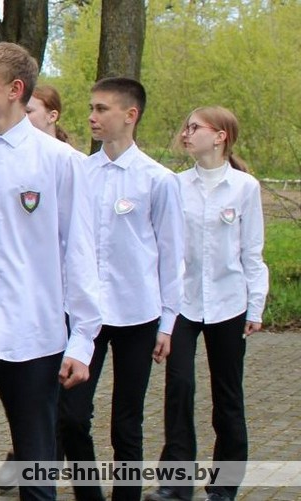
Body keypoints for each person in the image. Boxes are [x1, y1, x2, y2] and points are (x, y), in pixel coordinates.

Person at [0, 42, 102, 501]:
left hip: (35, 334)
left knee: (35, 458)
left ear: (14, 89)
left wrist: (82, 339)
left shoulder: (60, 161)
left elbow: (79, 251)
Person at [58, 77, 184, 501]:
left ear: (130, 115)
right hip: (85, 316)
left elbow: (171, 254)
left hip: (137, 313)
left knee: (127, 423)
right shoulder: (80, 173)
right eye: (90, 108)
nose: (92, 117)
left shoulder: (158, 180)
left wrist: (168, 322)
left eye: (102, 109)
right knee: (71, 415)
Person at [145, 107, 268, 501]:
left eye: (194, 127)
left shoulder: (245, 188)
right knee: (179, 388)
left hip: (229, 302)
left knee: (227, 396)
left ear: (220, 136)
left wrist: (255, 306)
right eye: (185, 127)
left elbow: (252, 253)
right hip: (182, 303)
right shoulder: (175, 185)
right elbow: (163, 249)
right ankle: (175, 483)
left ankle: (224, 486)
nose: (186, 134)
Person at [0, 82, 83, 490]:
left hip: (62, 300)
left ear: (52, 116)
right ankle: (28, 458)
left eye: (32, 111)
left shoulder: (67, 163)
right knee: (35, 404)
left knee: (68, 411)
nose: (25, 117)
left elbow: (78, 244)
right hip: (21, 302)